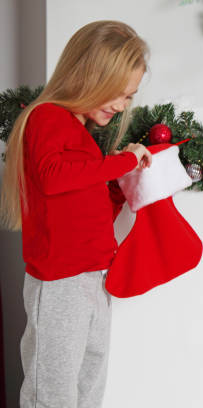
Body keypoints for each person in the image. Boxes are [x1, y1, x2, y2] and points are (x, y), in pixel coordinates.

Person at [0, 21, 152, 408]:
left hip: (93, 276)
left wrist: (116, 189)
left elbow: (80, 203)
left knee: (89, 380)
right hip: (61, 282)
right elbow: (52, 179)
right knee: (52, 388)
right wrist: (120, 162)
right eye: (117, 94)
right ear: (88, 77)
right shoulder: (47, 118)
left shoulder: (79, 133)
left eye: (128, 97)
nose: (121, 106)